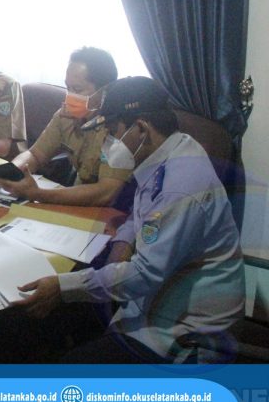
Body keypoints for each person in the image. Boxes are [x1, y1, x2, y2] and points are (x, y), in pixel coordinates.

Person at [12, 77, 245, 363]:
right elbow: (141, 211)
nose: (108, 143)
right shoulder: (170, 151)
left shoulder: (181, 186)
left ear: (141, 129)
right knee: (41, 323)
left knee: (67, 370)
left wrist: (64, 286)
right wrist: (122, 243)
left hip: (183, 332)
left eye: (112, 133)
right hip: (150, 303)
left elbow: (144, 275)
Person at [0, 46, 133, 206]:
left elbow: (106, 192)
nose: (70, 97)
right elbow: (35, 155)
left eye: (77, 89)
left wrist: (38, 194)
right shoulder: (65, 116)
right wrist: (10, 172)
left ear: (105, 91)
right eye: (68, 88)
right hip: (74, 199)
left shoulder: (119, 127)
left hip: (109, 209)